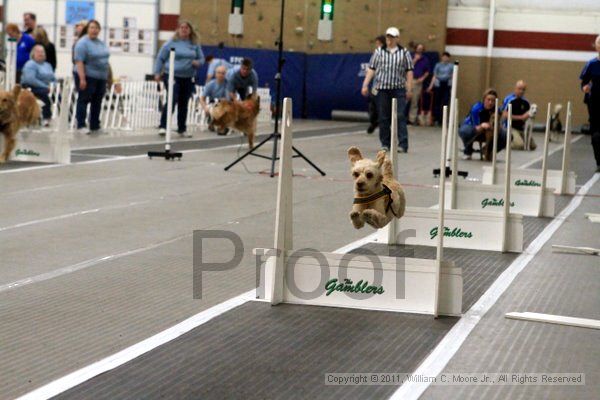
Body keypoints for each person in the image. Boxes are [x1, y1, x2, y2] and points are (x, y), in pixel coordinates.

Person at [361, 26, 413, 153]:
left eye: (392, 37)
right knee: (383, 117)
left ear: (397, 38)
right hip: (382, 88)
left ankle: (403, 144)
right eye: (388, 37)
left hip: (398, 88)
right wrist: (365, 84)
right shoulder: (379, 52)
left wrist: (409, 88)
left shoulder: (404, 52)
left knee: (400, 115)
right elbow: (372, 68)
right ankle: (385, 143)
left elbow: (409, 71)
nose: (389, 39)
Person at [154, 20, 204, 137]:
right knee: (172, 99)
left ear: (190, 30)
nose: (184, 29)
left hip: (188, 77)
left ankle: (182, 128)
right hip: (172, 75)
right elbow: (160, 58)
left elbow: (202, 59)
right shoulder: (171, 43)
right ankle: (163, 126)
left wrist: (197, 62)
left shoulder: (194, 44)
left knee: (184, 102)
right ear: (178, 29)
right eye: (182, 27)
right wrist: (157, 73)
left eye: (187, 28)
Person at [73, 20, 110, 134]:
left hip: (101, 76)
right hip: (87, 75)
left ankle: (95, 125)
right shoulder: (82, 43)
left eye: (96, 28)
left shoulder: (101, 43)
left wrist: (108, 77)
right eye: (92, 28)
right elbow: (79, 61)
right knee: (84, 99)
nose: (94, 30)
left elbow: (105, 60)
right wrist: (82, 78)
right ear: (87, 29)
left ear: (99, 30)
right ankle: (81, 125)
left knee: (97, 101)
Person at [459, 89, 507, 160]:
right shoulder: (476, 108)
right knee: (465, 131)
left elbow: (499, 124)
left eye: (493, 101)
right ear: (484, 99)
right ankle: (468, 150)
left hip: (489, 130)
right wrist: (482, 125)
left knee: (506, 136)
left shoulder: (497, 110)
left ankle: (488, 150)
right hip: (473, 127)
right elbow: (476, 126)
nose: (490, 103)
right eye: (488, 100)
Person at [21, 45, 56, 125]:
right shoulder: (30, 64)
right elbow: (30, 79)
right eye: (38, 52)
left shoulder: (48, 65)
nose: (41, 54)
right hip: (31, 87)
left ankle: (65, 117)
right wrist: (45, 86)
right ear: (33, 54)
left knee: (60, 95)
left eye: (42, 52)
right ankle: (46, 117)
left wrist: (54, 85)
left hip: (47, 88)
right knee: (44, 95)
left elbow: (53, 78)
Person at [580, 35, 600, 172]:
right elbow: (583, 82)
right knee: (596, 134)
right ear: (596, 46)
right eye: (599, 42)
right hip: (594, 102)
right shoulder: (591, 64)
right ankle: (599, 161)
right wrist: (585, 88)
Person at [502, 80, 536, 150]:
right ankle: (503, 143)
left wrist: (531, 115)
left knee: (533, 146)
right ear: (515, 89)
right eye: (519, 89)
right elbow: (505, 115)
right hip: (511, 127)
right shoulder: (509, 99)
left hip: (521, 128)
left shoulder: (526, 102)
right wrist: (521, 117)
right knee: (520, 145)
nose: (521, 91)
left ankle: (519, 139)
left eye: (523, 89)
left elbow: (529, 114)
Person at [200, 65, 229, 134]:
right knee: (213, 108)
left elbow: (229, 98)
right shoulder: (210, 84)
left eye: (223, 73)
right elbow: (202, 98)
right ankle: (212, 121)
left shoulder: (228, 84)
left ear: (225, 74)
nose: (221, 75)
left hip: (224, 103)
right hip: (213, 103)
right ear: (215, 74)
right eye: (219, 73)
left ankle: (222, 125)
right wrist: (205, 108)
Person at [366, 35, 385, 134]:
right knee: (372, 106)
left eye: (379, 44)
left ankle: (383, 124)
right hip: (375, 86)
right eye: (376, 44)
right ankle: (373, 122)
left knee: (382, 107)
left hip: (385, 86)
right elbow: (371, 69)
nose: (377, 46)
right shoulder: (375, 55)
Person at [427, 51, 453, 125]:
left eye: (446, 57)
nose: (445, 58)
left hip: (447, 84)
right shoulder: (438, 65)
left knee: (445, 102)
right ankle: (437, 119)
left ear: (448, 58)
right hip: (438, 85)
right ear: (442, 57)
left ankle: (443, 120)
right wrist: (430, 86)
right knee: (437, 102)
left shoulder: (451, 66)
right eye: (443, 57)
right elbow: (434, 76)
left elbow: (452, 76)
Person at [408, 43, 430, 125]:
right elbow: (408, 67)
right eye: (418, 48)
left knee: (415, 101)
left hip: (418, 81)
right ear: (416, 49)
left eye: (421, 48)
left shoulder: (425, 59)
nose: (420, 49)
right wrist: (415, 60)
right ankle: (400, 118)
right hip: (409, 80)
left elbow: (427, 71)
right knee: (405, 99)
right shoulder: (410, 57)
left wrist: (422, 78)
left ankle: (411, 119)